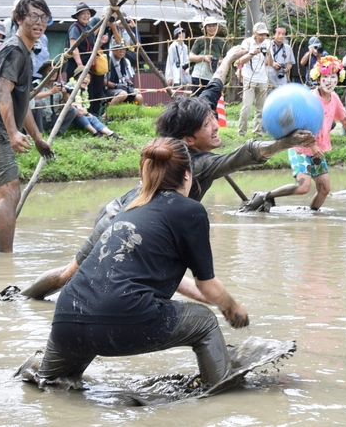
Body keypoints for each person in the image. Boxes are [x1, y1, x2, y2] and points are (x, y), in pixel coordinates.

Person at [20, 46, 315, 300]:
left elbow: (213, 87)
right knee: (71, 274)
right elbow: (244, 155)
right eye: (207, 123)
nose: (214, 124)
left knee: (89, 276)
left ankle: (26, 299)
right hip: (120, 218)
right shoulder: (190, 163)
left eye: (213, 117)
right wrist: (285, 143)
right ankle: (22, 299)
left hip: (135, 215)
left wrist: (228, 58)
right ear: (189, 139)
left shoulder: (194, 124)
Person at [19, 137, 250, 390]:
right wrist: (232, 307)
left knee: (51, 383)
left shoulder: (130, 206)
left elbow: (147, 276)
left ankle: (38, 368)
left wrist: (218, 300)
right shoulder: (189, 210)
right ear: (187, 175)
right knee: (204, 322)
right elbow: (206, 284)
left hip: (68, 316)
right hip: (119, 317)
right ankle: (222, 389)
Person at [0, 0, 54, 253]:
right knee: (11, 193)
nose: (39, 22)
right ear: (19, 18)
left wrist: (37, 137)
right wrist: (13, 132)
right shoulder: (14, 49)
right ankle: (6, 261)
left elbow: (21, 102)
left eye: (43, 17)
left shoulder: (23, 51)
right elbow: (2, 92)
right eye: (33, 16)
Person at [245, 55, 346, 212]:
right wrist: (312, 146)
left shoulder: (335, 98)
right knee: (303, 187)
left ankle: (313, 216)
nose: (329, 81)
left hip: (318, 152)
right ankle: (266, 196)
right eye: (326, 77)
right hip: (300, 148)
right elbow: (302, 127)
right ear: (318, 79)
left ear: (338, 79)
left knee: (324, 189)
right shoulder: (310, 98)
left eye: (333, 77)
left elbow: (344, 119)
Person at [65, 2, 107, 116]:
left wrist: (101, 43)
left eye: (88, 13)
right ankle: (75, 117)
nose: (86, 16)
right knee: (75, 90)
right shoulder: (75, 27)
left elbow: (93, 47)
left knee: (90, 90)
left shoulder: (88, 27)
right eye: (83, 13)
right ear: (77, 16)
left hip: (89, 64)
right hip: (77, 64)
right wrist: (79, 65)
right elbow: (74, 47)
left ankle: (91, 115)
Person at [237, 22, 270, 136]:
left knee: (261, 108)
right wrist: (252, 53)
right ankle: (241, 132)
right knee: (247, 107)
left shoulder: (267, 43)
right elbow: (240, 61)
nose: (262, 37)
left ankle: (257, 132)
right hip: (249, 78)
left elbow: (269, 63)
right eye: (260, 34)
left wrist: (269, 54)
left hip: (263, 79)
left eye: (264, 34)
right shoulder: (247, 42)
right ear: (254, 33)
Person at [69, 73, 122, 139]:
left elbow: (84, 107)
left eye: (88, 78)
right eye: (84, 77)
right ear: (76, 78)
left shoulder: (84, 90)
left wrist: (87, 113)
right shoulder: (69, 87)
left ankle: (112, 134)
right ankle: (96, 133)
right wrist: (78, 105)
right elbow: (65, 103)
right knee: (78, 113)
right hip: (69, 116)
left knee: (92, 117)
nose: (86, 79)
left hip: (81, 115)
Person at [31, 62, 77, 135]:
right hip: (40, 118)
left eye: (56, 71)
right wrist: (51, 92)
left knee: (72, 110)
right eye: (50, 70)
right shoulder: (36, 84)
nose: (54, 73)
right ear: (44, 72)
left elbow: (69, 103)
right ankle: (39, 132)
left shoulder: (58, 86)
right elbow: (30, 97)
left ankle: (57, 132)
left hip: (54, 118)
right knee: (37, 103)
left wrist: (65, 94)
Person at [189, 15, 226, 96]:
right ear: (205, 28)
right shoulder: (199, 40)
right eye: (209, 26)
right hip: (199, 75)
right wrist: (203, 58)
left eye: (214, 25)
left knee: (211, 100)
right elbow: (191, 56)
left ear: (217, 27)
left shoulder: (222, 42)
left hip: (214, 76)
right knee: (196, 100)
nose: (212, 28)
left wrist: (218, 61)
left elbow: (228, 58)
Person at [266, 25, 295, 91]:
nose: (281, 36)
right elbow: (261, 60)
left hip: (281, 81)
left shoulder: (288, 48)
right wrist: (272, 63)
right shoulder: (267, 45)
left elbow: (290, 63)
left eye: (283, 34)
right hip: (267, 80)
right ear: (273, 35)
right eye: (279, 33)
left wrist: (286, 69)